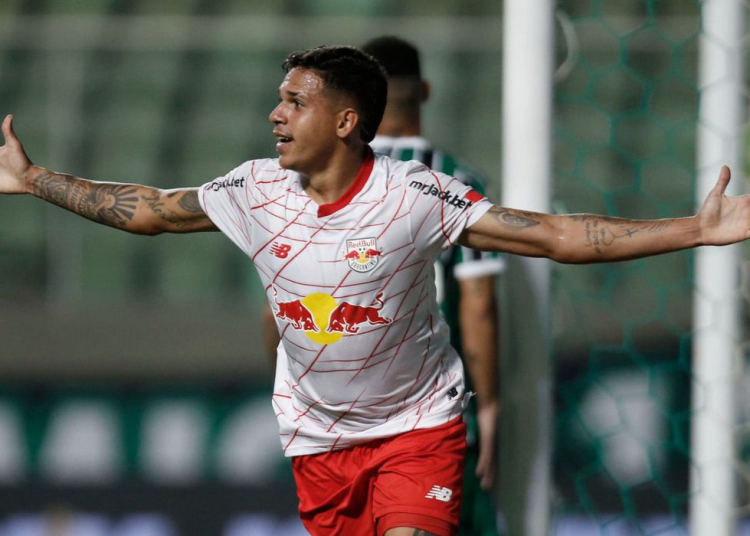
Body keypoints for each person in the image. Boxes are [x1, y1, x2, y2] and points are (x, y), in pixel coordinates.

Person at [0, 45, 747, 536]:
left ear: (346, 120)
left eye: (295, 101)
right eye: (279, 100)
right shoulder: (254, 190)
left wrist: (694, 229)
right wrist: (35, 181)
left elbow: (553, 235)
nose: (275, 114)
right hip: (319, 441)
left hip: (417, 429)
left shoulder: (414, 195)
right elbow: (150, 211)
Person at [363, 36, 502, 536]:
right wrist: (489, 405)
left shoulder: (318, 186)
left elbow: (278, 311)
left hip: (344, 419)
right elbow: (478, 304)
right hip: (435, 416)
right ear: (424, 91)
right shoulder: (457, 182)